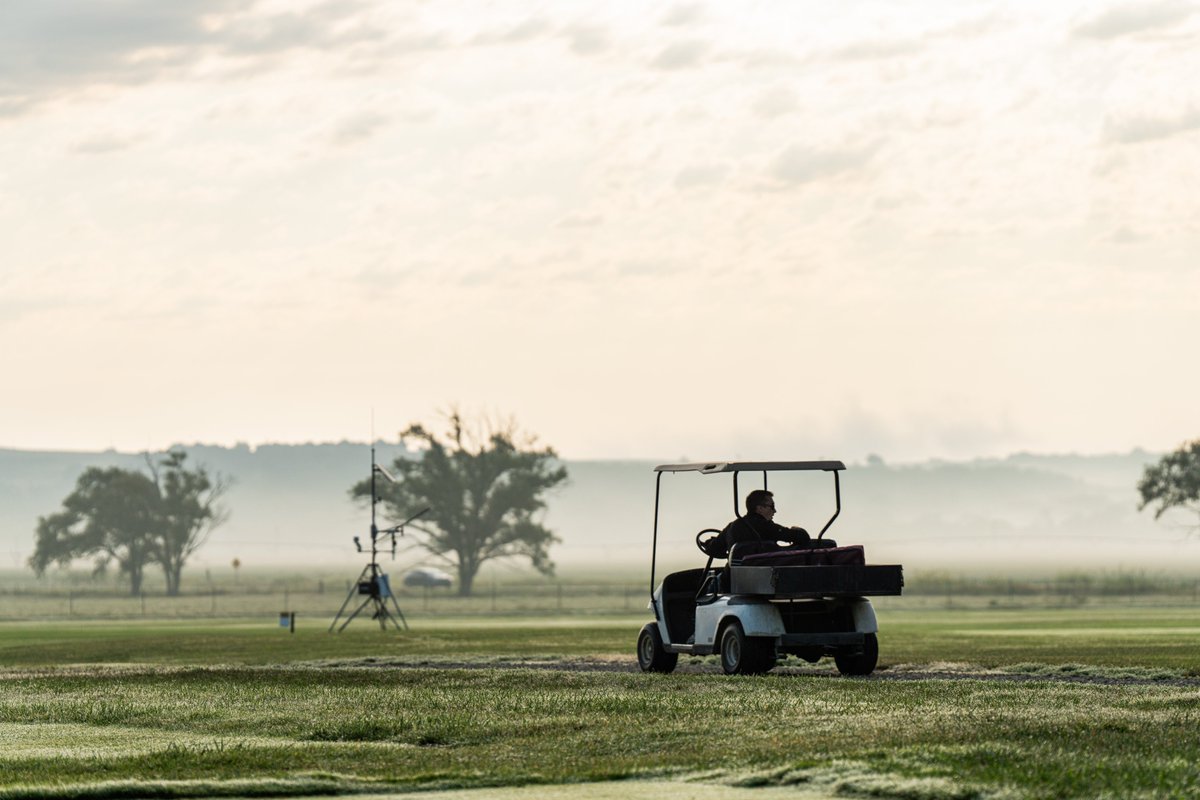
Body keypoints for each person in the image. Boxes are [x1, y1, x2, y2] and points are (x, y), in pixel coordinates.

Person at [717, 489, 810, 556]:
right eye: (772, 506)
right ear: (760, 508)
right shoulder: (766, 527)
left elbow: (714, 549)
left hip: (732, 578)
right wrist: (797, 530)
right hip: (762, 578)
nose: (775, 511)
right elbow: (802, 537)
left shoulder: (732, 526)